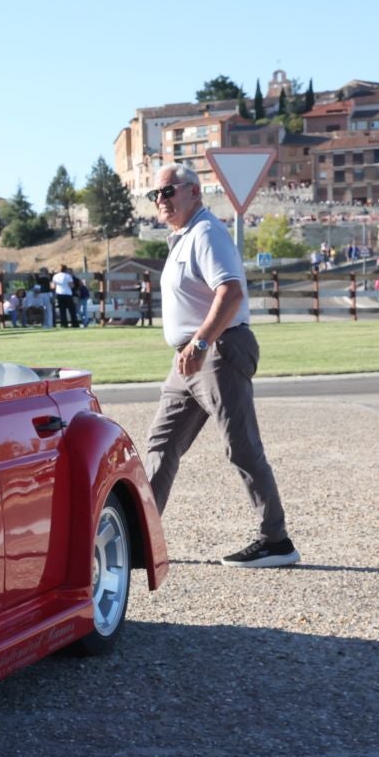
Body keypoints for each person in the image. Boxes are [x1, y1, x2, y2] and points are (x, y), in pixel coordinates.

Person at [140, 162, 298, 568]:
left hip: (217, 350)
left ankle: (276, 541)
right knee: (161, 444)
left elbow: (230, 292)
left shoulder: (207, 233)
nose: (160, 200)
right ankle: (141, 538)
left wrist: (201, 342)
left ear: (193, 191)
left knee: (241, 446)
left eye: (167, 191)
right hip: (190, 356)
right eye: (155, 195)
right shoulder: (184, 237)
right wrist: (193, 346)